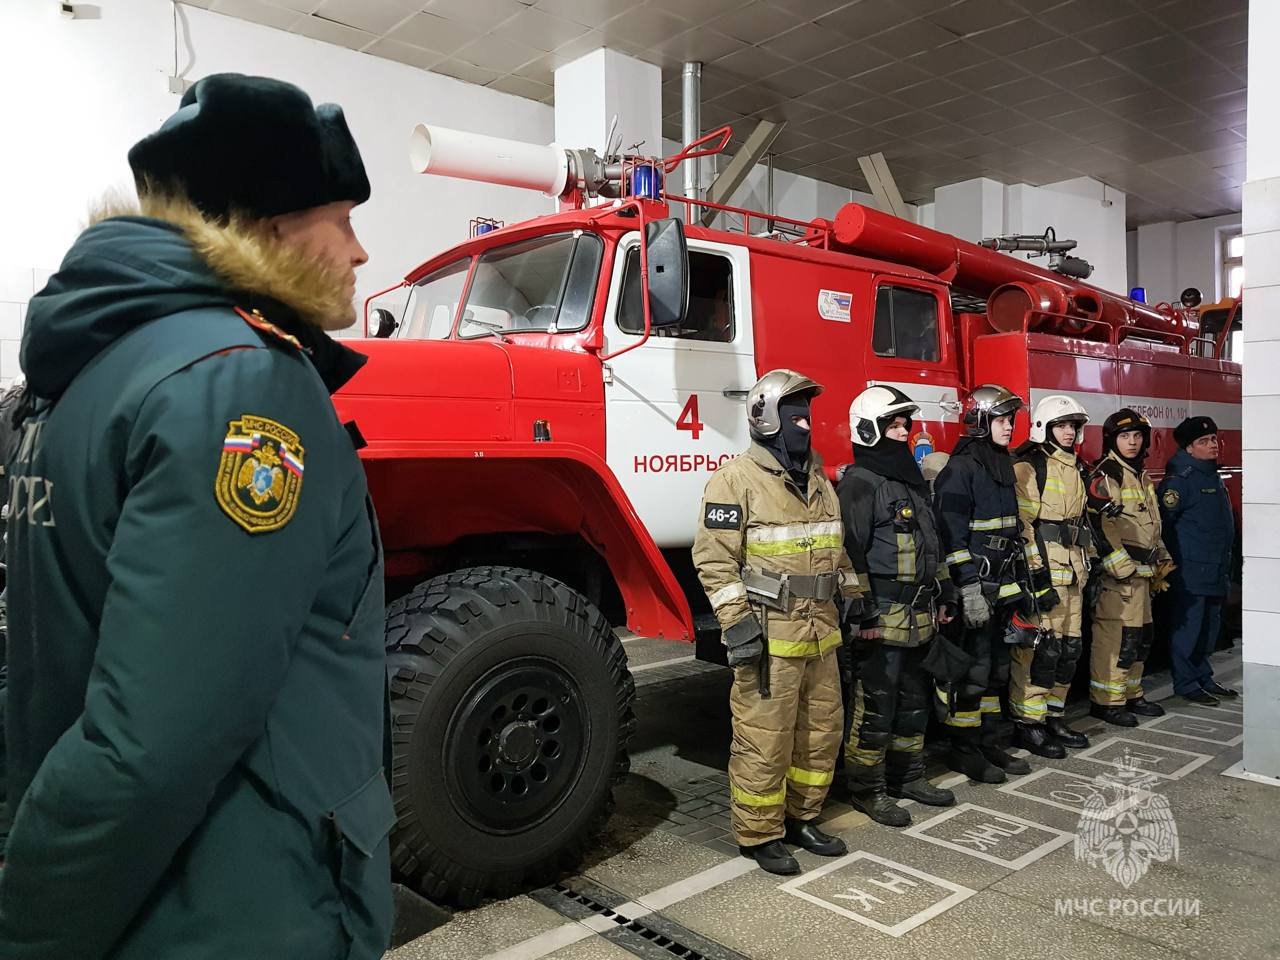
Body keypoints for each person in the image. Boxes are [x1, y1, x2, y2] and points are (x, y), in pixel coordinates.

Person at [0, 75, 393, 959]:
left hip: (139, 889)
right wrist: (28, 933)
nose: (361, 252)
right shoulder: (241, 381)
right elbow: (155, 742)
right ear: (267, 226)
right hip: (234, 900)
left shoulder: (80, 374)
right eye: (343, 218)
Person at [693, 369, 864, 875]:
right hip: (770, 637)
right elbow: (714, 560)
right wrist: (737, 624)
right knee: (764, 740)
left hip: (821, 636)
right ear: (765, 419)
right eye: (793, 416)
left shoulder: (819, 478)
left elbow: (837, 550)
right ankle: (759, 833)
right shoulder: (734, 481)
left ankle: (802, 818)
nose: (804, 425)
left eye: (807, 416)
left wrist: (855, 598)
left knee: (820, 734)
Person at [838, 386, 957, 826]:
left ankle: (908, 776)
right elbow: (848, 554)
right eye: (894, 424)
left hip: (921, 614)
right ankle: (868, 790)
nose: (904, 431)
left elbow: (932, 545)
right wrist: (862, 613)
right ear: (870, 430)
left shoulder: (909, 482)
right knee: (875, 706)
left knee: (914, 700)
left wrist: (944, 593)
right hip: (882, 617)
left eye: (905, 423)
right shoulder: (859, 484)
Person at [933, 385, 1031, 783]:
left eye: (1011, 420)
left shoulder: (1000, 462)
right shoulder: (961, 468)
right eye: (1002, 420)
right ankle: (964, 748)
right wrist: (968, 589)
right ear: (979, 421)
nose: (1009, 427)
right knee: (971, 673)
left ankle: (989, 741)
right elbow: (950, 537)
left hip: (1002, 584)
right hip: (975, 590)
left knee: (996, 672)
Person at [1009, 395, 1094, 758]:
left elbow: (1080, 523)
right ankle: (1029, 724)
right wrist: (1035, 577)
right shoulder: (1029, 467)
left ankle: (1054, 716)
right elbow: (1024, 526)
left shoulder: (1076, 466)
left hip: (1074, 574)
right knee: (1040, 653)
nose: (1069, 432)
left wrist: (1089, 560)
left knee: (1068, 651)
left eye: (1073, 426)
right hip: (1046, 575)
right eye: (1061, 425)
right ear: (1044, 427)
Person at [1086, 409, 1172, 725]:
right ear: (1112, 440)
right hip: (1121, 579)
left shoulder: (1139, 473)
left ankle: (1132, 694)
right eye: (1125, 437)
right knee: (1117, 638)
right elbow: (1098, 524)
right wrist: (1121, 567)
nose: (1132, 442)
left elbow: (1151, 521)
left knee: (1140, 638)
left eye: (1137, 436)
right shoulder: (1107, 475)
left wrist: (1161, 555)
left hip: (1143, 576)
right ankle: (1107, 702)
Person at [1158, 416, 1237, 704]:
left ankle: (1203, 676)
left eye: (1213, 439)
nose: (1212, 445)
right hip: (1191, 571)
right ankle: (1186, 682)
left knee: (1209, 628)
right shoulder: (1180, 481)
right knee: (1188, 629)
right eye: (1203, 442)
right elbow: (1165, 526)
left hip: (1216, 569)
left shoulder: (1211, 476)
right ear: (1188, 449)